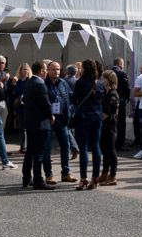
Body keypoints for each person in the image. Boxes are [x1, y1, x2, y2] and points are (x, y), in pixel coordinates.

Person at [19, 61, 54, 190]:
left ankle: (26, 178)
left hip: (30, 122)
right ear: (40, 70)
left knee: (30, 153)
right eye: (45, 69)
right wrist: (51, 116)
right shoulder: (40, 84)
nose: (46, 72)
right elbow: (45, 103)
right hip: (40, 123)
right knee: (39, 153)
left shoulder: (28, 83)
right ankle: (38, 180)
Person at [71, 59, 103, 190]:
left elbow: (74, 100)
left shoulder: (80, 82)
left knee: (83, 147)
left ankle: (83, 178)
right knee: (96, 147)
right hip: (97, 117)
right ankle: (95, 178)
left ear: (84, 69)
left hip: (83, 117)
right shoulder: (100, 83)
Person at [43, 60, 74, 184]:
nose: (56, 72)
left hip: (61, 119)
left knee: (65, 147)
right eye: (53, 69)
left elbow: (69, 97)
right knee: (47, 148)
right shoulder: (44, 84)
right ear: (48, 71)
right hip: (48, 120)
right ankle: (49, 174)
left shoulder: (63, 83)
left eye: (58, 69)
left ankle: (66, 173)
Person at [98, 69, 120, 185]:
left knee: (111, 150)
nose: (102, 81)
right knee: (105, 150)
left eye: (103, 78)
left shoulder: (112, 94)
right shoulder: (105, 93)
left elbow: (107, 114)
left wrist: (96, 118)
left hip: (110, 126)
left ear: (109, 80)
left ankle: (113, 175)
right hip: (104, 126)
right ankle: (105, 172)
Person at [111, 58, 131, 150]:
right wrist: (127, 97)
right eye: (123, 64)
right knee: (121, 122)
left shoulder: (108, 72)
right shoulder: (122, 73)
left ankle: (110, 142)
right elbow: (127, 87)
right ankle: (120, 143)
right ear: (120, 64)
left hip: (110, 99)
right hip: (120, 100)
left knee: (110, 122)